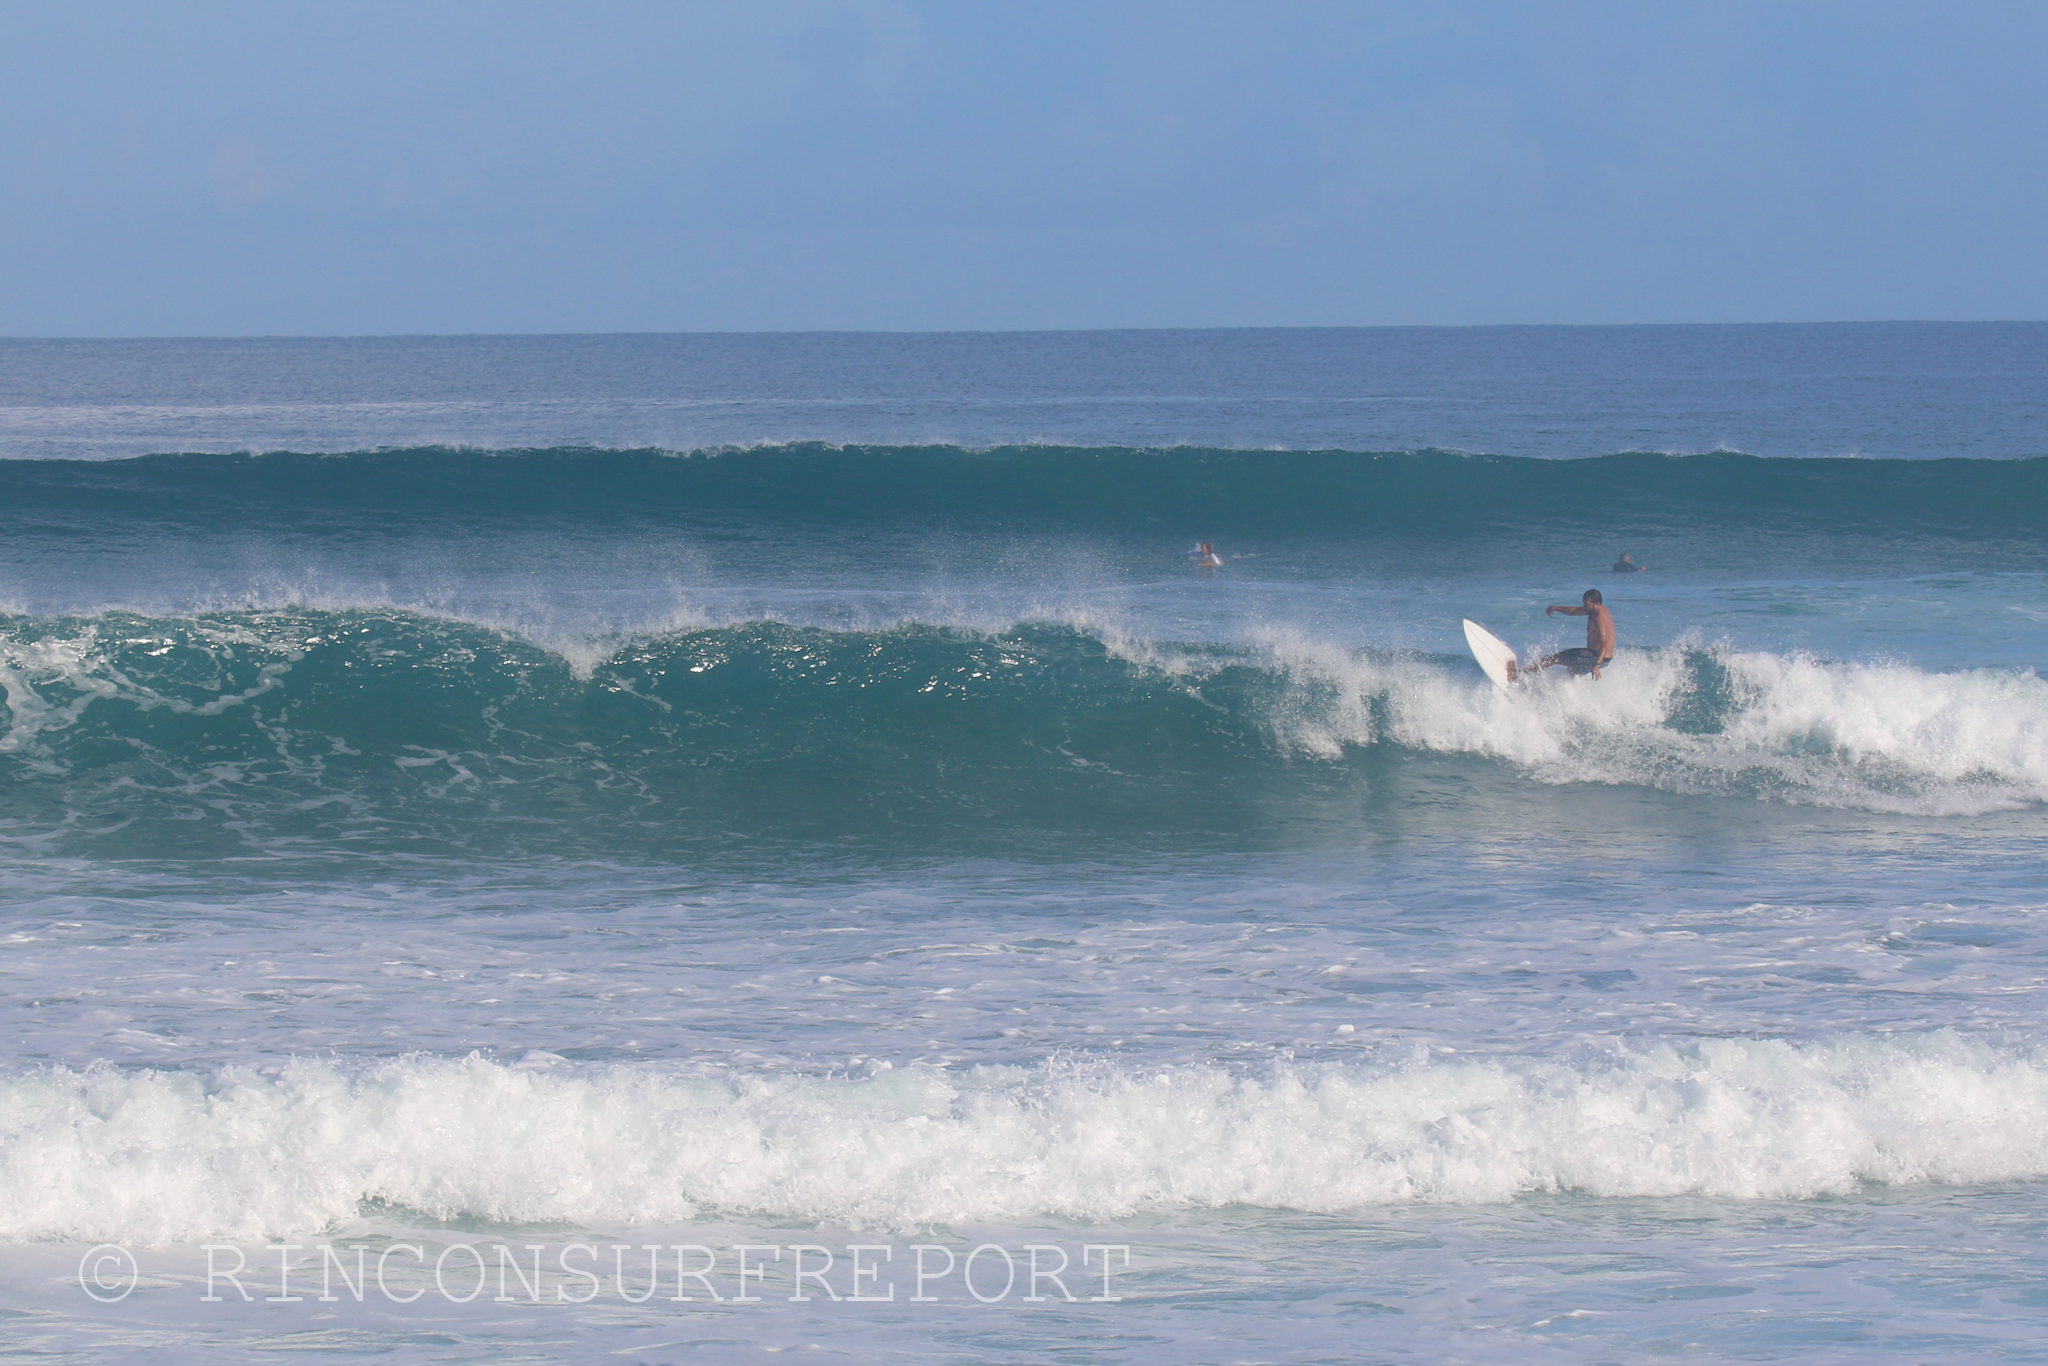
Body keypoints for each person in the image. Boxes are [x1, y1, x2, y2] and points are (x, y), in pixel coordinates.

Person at [1536, 588, 1616, 679]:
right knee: (1572, 671)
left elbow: (1604, 644)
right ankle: (1571, 691)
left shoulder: (1599, 619)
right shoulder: (1597, 610)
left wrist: (1597, 665)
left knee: (1554, 659)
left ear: (1596, 604)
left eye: (1586, 604)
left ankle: (1522, 674)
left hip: (1595, 657)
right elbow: (1575, 610)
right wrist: (1555, 608)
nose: (1584, 606)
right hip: (1604, 659)